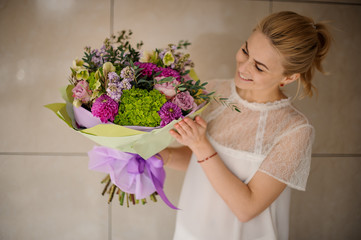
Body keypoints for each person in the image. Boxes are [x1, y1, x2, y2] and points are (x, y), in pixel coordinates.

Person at [159, 11, 332, 240]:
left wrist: (200, 145)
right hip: (192, 229)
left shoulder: (294, 130)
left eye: (259, 67)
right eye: (245, 51)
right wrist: (157, 154)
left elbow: (246, 208)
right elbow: (201, 164)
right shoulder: (213, 91)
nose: (244, 67)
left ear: (289, 77)